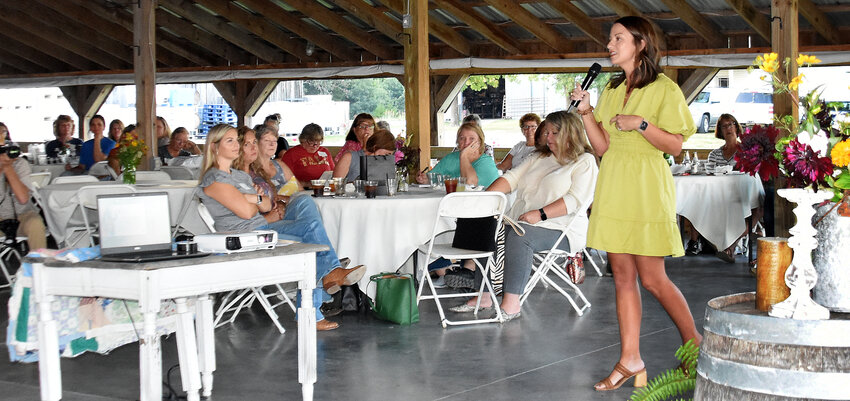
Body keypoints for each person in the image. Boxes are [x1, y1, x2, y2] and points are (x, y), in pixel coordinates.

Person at [570, 16, 702, 391]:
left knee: (654, 279)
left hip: (646, 186)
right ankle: (630, 359)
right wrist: (586, 112)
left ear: (641, 44)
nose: (609, 45)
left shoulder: (665, 89)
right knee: (623, 279)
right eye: (610, 39)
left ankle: (696, 346)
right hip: (614, 184)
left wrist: (642, 124)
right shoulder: (611, 88)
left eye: (618, 38)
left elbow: (676, 146)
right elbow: (603, 147)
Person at [198, 124, 365, 331]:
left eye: (239, 141)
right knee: (311, 241)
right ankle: (322, 286)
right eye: (230, 141)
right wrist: (255, 198)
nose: (238, 146)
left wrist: (253, 198)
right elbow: (247, 212)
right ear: (214, 147)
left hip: (261, 229)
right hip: (245, 237)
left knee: (309, 218)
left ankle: (328, 277)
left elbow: (266, 205)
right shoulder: (213, 178)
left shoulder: (239, 176)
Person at [449, 111, 598, 320]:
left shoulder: (584, 161)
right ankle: (484, 295)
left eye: (554, 133)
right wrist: (482, 201)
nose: (548, 138)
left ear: (570, 134)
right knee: (484, 224)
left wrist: (541, 214)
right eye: (547, 133)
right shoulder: (538, 156)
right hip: (522, 220)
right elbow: (510, 179)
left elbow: (574, 200)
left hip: (561, 228)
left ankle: (511, 304)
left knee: (520, 237)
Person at [0, 124, 47, 251]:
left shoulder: (20, 164)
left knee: (35, 223)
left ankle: (39, 265)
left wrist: (8, 167)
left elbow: (23, 199)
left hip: (22, 215)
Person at [416, 122, 499, 187]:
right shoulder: (450, 159)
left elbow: (470, 184)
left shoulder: (486, 162)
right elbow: (432, 178)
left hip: (482, 204)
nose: (466, 142)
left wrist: (463, 156)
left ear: (480, 142)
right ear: (458, 142)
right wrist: (424, 179)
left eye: (471, 139)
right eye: (462, 138)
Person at [254, 124, 298, 191]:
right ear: (256, 143)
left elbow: (300, 190)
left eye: (274, 141)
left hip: (294, 200)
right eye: (267, 140)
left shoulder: (280, 165)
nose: (272, 144)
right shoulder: (251, 169)